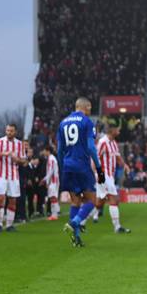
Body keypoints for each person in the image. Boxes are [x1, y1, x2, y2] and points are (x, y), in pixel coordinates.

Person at [58, 97, 103, 248]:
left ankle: (75, 239)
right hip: (82, 165)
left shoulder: (63, 122)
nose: (90, 111)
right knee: (92, 200)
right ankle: (75, 222)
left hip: (67, 166)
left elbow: (59, 149)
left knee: (75, 201)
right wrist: (98, 167)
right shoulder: (87, 122)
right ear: (87, 106)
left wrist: (61, 167)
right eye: (90, 108)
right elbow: (91, 147)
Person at [93, 123, 131, 234]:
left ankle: (81, 221)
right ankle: (117, 227)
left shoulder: (114, 143)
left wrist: (125, 165)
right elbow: (94, 157)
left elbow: (118, 157)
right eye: (117, 130)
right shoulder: (102, 142)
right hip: (103, 175)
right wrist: (95, 173)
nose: (119, 132)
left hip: (109, 175)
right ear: (112, 130)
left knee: (100, 202)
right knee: (114, 200)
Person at [0, 123, 27, 232]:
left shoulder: (20, 144)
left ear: (15, 132)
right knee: (0, 198)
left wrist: (17, 160)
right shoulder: (0, 141)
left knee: (12, 200)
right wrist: (4, 154)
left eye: (11, 131)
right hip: (1, 175)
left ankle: (9, 225)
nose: (9, 132)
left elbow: (24, 161)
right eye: (7, 130)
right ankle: (0, 223)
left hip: (14, 176)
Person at [42, 146, 61, 220]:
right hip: (54, 180)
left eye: (44, 151)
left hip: (53, 181)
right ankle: (55, 213)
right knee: (53, 197)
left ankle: (55, 214)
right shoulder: (52, 158)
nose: (43, 152)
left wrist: (46, 180)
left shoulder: (51, 159)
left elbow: (50, 171)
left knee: (53, 197)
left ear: (48, 151)